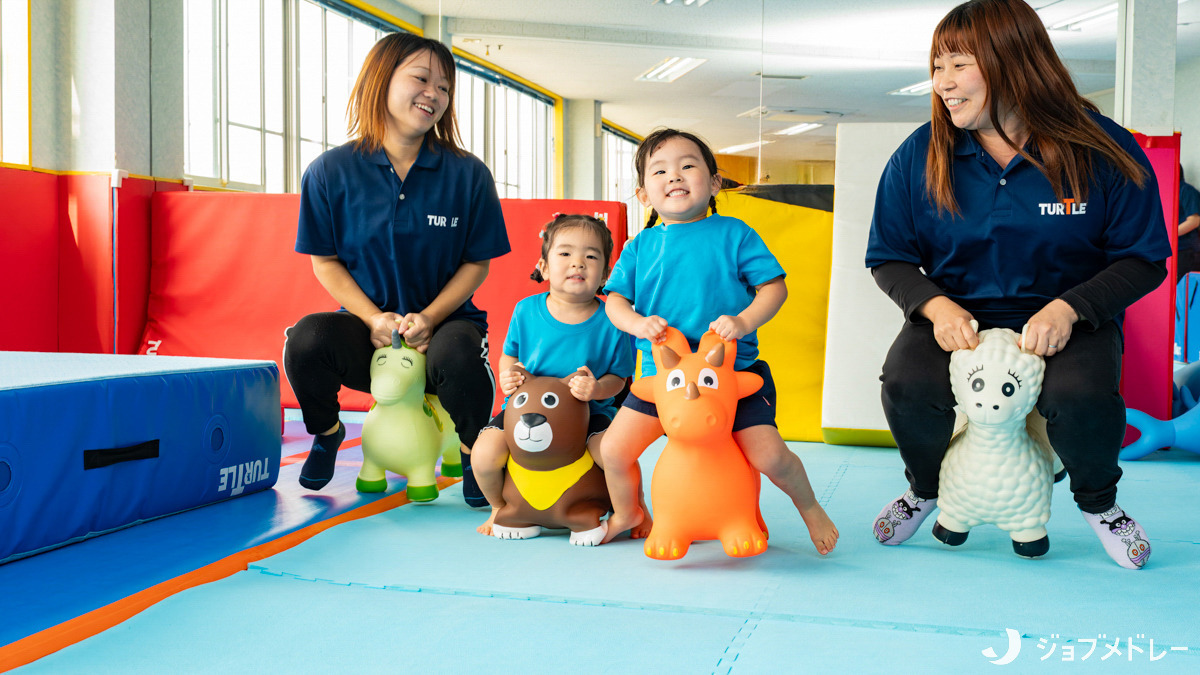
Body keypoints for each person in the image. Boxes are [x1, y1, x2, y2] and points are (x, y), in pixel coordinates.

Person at [866, 0, 1171, 570]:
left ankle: (1100, 504)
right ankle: (926, 490)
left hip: (1069, 312)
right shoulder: (920, 155)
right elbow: (889, 258)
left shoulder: (1101, 150)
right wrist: (933, 306)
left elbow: (1143, 259)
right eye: (937, 67)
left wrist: (1072, 309)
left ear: (1012, 59)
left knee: (1079, 398)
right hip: (960, 313)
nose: (943, 84)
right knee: (905, 383)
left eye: (958, 65)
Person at [283, 33, 510, 507]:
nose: (435, 94)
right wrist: (371, 319)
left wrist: (429, 317)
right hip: (371, 334)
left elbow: (476, 261)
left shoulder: (468, 174)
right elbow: (325, 261)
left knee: (459, 359)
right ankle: (326, 433)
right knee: (306, 341)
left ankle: (472, 453)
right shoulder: (328, 172)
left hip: (447, 327)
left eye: (445, 87)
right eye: (422, 79)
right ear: (381, 79)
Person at [599, 128, 840, 555]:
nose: (674, 175)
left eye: (688, 165)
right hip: (664, 379)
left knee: (770, 457)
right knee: (615, 450)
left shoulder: (734, 233)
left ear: (713, 183)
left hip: (733, 375)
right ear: (643, 194)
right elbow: (615, 302)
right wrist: (637, 325)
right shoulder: (640, 247)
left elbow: (774, 288)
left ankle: (810, 506)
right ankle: (629, 511)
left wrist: (744, 321)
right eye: (660, 170)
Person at [472, 214, 649, 538]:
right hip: (524, 412)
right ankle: (500, 506)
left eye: (591, 256)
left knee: (615, 453)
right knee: (483, 453)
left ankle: (634, 508)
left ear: (606, 274)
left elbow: (620, 378)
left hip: (591, 413)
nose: (578, 263)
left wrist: (596, 389)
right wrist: (508, 374)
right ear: (543, 266)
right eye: (565, 254)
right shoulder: (526, 310)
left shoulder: (615, 320)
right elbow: (509, 355)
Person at [1177, 165, 1200, 282]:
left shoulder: (1186, 190)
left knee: (1183, 290)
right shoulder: (1168, 191)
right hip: (1175, 249)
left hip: (1187, 250)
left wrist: (1169, 235)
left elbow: (1194, 221)